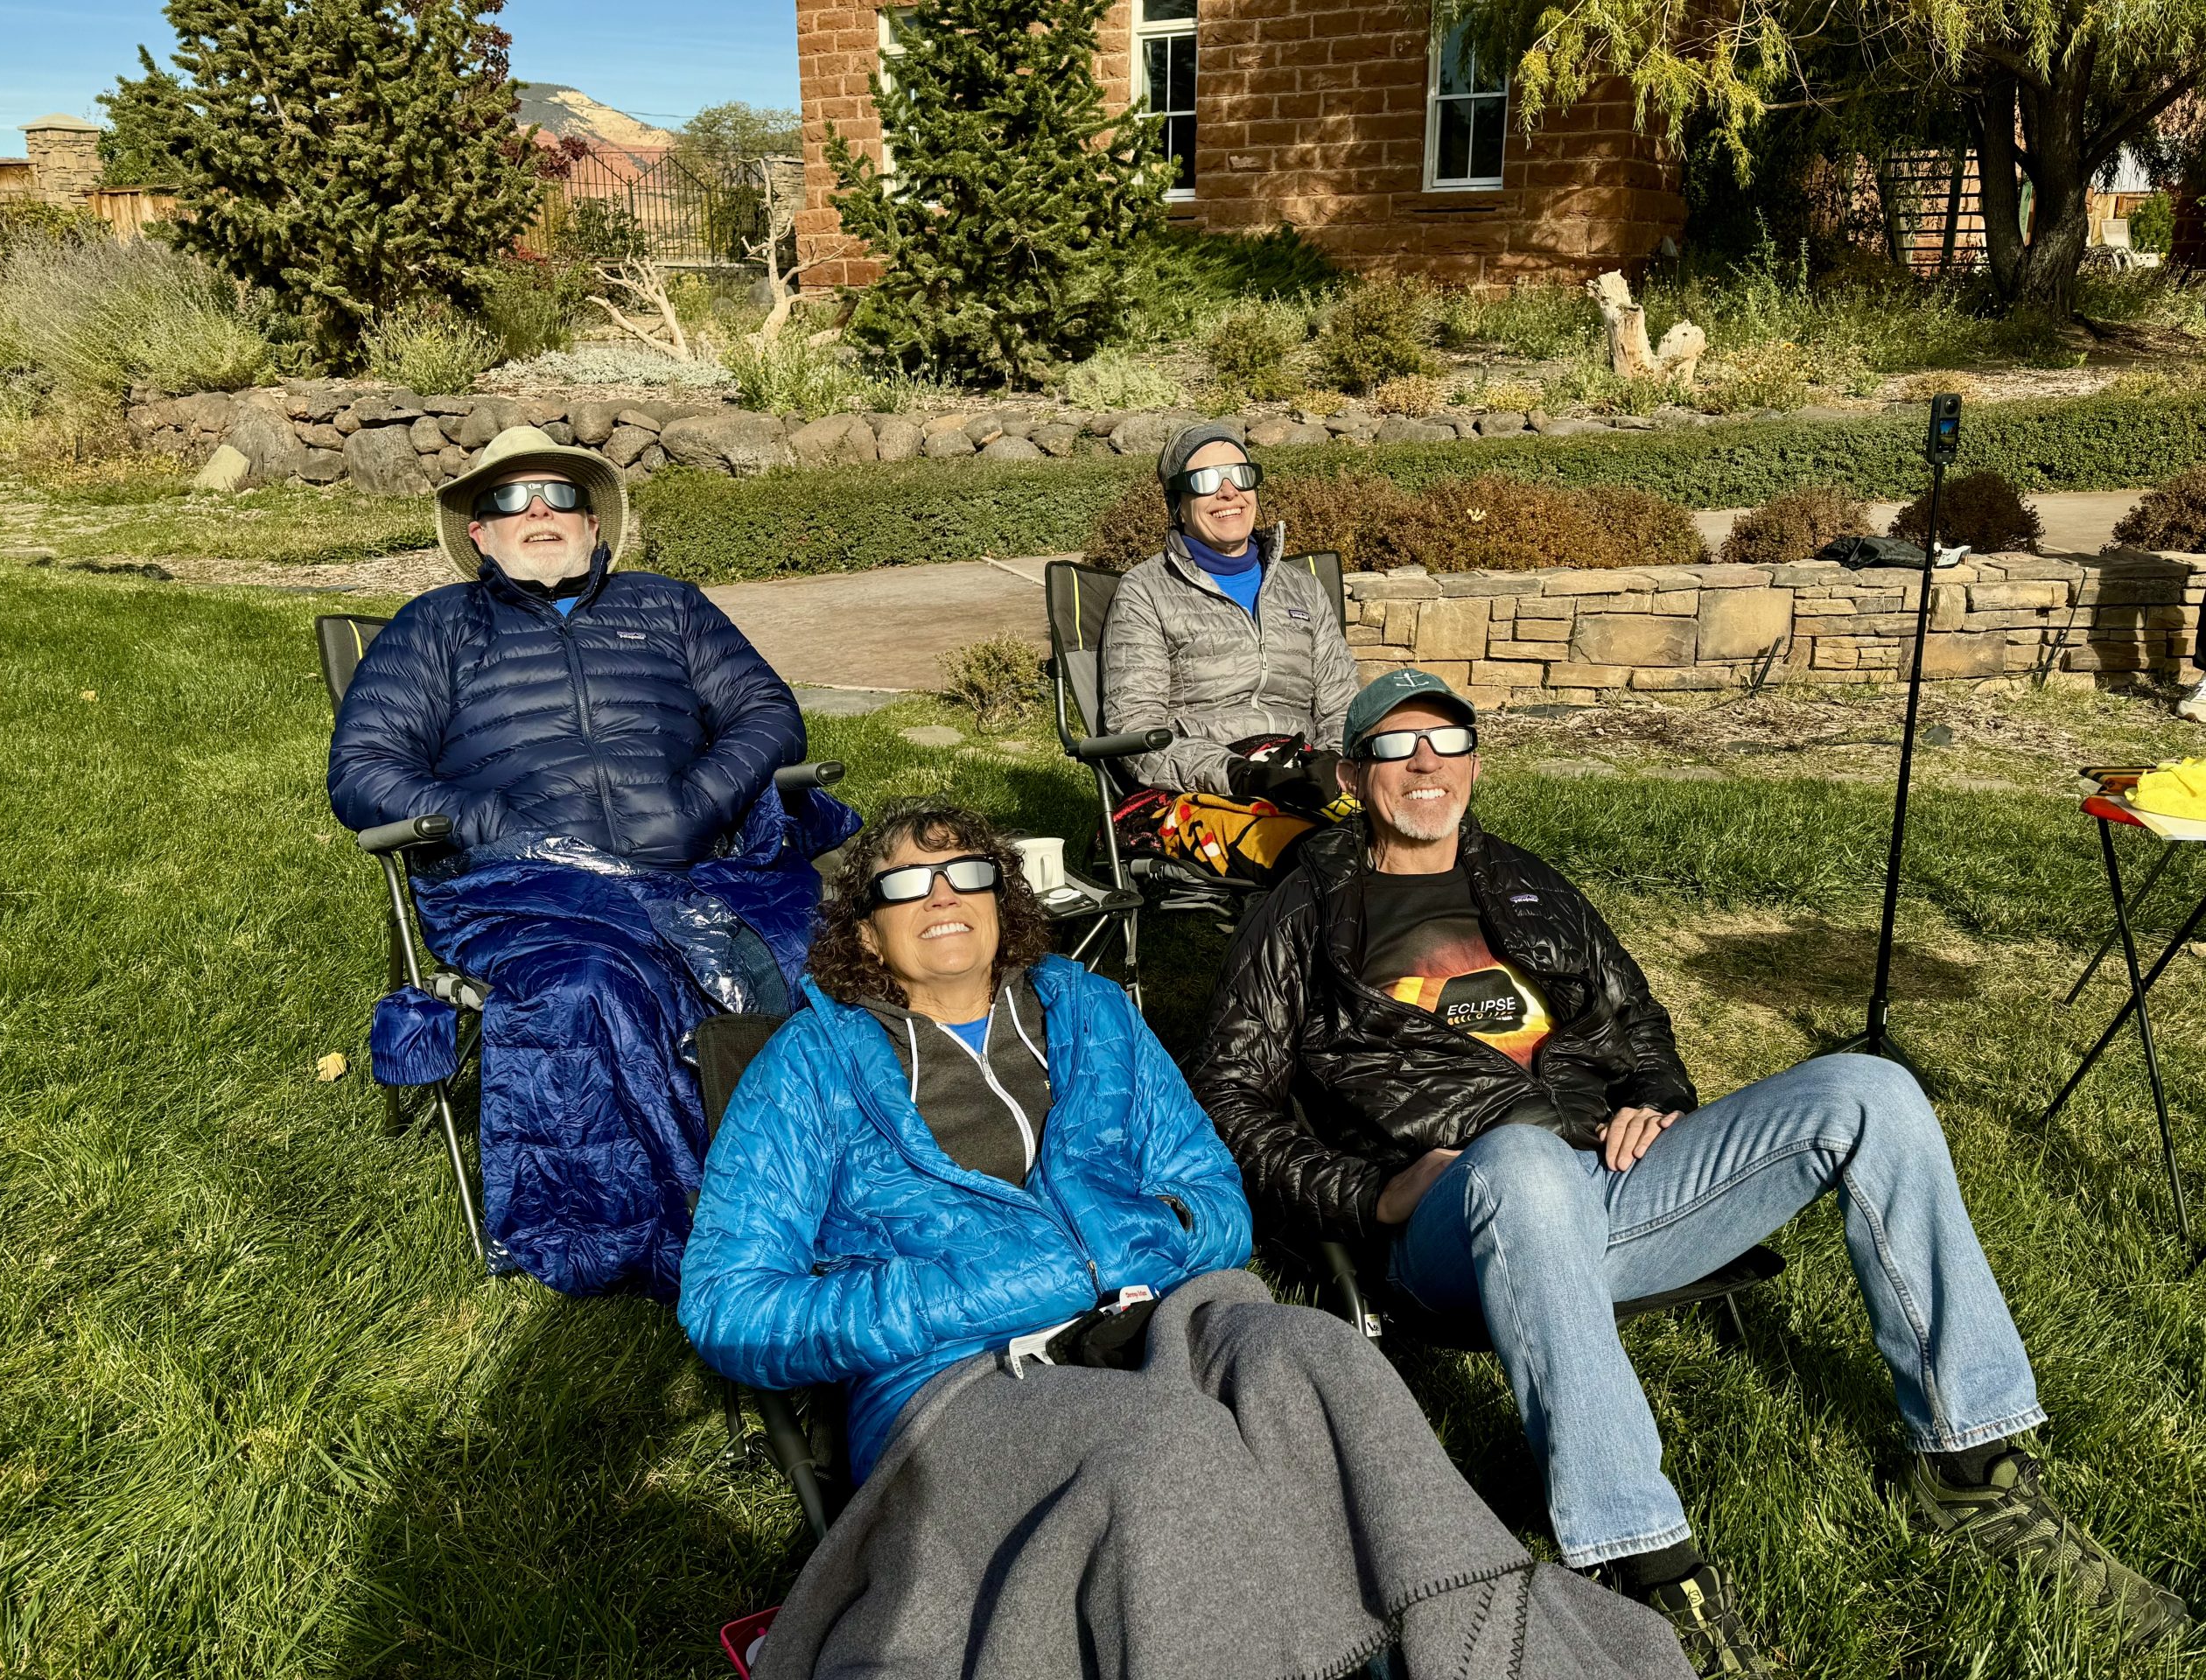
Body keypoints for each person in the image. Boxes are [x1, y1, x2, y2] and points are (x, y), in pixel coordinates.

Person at [1189, 668, 2194, 1674]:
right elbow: (1229, 1101)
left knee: (1867, 1088)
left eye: (1446, 745)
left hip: (1613, 1187)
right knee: (1528, 1170)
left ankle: (1973, 1468)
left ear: (1474, 765)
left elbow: (1636, 1021)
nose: (1424, 766)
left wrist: (1656, 1099)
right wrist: (1372, 1193)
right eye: (1397, 747)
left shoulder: (1526, 877)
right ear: (1356, 772)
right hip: (1458, 1214)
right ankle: (1641, 1562)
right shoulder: (1304, 911)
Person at [679, 803, 1692, 1680]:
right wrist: (984, 1288)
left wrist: (1130, 1258)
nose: (943, 895)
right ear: (864, 925)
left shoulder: (1085, 1011)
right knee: (1165, 1447)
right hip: (959, 1379)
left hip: (1156, 1316)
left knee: (1323, 1357)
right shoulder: (807, 1067)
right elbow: (730, 1306)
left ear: (1004, 898)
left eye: (967, 871)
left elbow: (1213, 1196)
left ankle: (1494, 1655)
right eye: (906, 880)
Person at [328, 425, 852, 1298]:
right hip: (528, 887)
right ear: (478, 534)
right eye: (507, 499)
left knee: (828, 955)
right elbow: (363, 771)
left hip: (695, 864)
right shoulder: (435, 629)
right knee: (590, 987)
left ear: (594, 525)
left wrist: (697, 804)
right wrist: (489, 816)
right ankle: (672, 1224)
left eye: (560, 495)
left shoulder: (669, 606)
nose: (537, 510)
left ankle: (848, 1185)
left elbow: (765, 715)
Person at [1098, 422, 1358, 883]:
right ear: (1177, 503)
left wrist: (1333, 764)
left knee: (1426, 828)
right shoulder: (1146, 592)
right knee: (1318, 857)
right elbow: (1135, 731)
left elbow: (1342, 705)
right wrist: (1238, 774)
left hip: (1305, 772)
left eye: (1239, 474)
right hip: (1202, 790)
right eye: (1204, 481)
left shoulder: (1301, 588)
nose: (1227, 492)